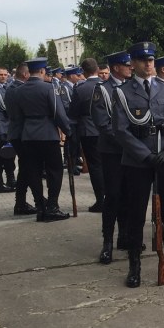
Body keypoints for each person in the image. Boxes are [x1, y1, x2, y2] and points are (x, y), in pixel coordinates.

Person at [112, 41, 164, 288]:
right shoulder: (122, 93)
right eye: (143, 60)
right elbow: (121, 131)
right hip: (138, 161)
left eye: (151, 60)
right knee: (136, 213)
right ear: (132, 64)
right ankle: (135, 265)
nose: (148, 64)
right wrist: (145, 155)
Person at [6, 57, 72, 223]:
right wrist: (68, 131)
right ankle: (52, 206)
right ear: (42, 71)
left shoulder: (19, 90)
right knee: (54, 171)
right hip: (48, 135)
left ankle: (40, 207)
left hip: (28, 136)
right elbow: (58, 113)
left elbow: (17, 116)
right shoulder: (49, 88)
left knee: (33, 172)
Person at [91, 51, 132, 264]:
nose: (130, 68)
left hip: (131, 152)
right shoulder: (103, 91)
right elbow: (103, 124)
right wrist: (127, 142)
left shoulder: (131, 87)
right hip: (113, 152)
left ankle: (124, 236)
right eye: (126, 65)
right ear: (116, 67)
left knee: (128, 195)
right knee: (113, 196)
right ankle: (108, 242)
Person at [68, 58, 105, 213]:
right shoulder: (107, 85)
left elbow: (73, 113)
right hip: (107, 129)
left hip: (88, 130)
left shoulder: (80, 88)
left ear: (83, 72)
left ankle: (101, 200)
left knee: (95, 167)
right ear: (97, 69)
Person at [7, 63, 39, 216]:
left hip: (19, 133)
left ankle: (21, 202)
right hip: (20, 134)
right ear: (26, 75)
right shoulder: (16, 90)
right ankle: (24, 203)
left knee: (26, 169)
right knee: (28, 168)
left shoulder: (14, 88)